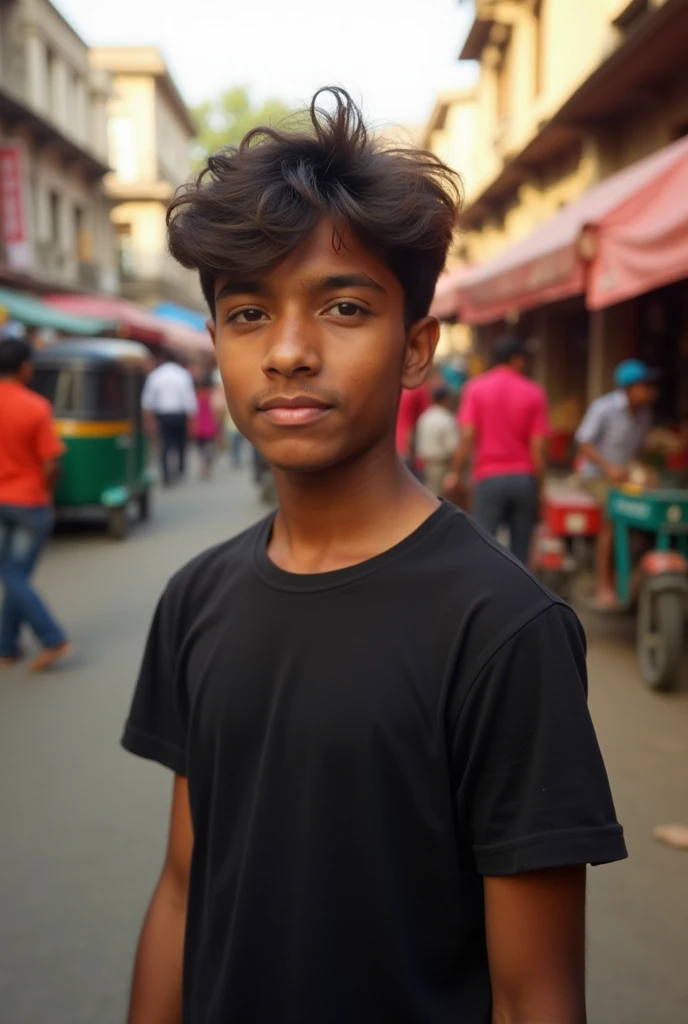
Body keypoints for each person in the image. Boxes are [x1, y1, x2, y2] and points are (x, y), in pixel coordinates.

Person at [122, 88, 626, 1024]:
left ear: (415, 347)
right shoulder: (196, 598)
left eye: (343, 306)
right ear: (217, 346)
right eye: (247, 314)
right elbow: (185, 891)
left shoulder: (503, 631)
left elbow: (535, 993)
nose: (288, 352)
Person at [0, 337, 72, 671]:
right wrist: (46, 494)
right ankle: (51, 636)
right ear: (26, 367)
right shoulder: (35, 406)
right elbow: (51, 462)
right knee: (16, 574)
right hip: (29, 502)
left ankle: (7, 645)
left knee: (13, 574)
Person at [445, 336, 550, 565]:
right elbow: (538, 446)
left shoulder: (475, 388)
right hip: (524, 479)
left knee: (486, 547)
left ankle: (490, 599)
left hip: (488, 478)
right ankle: (520, 598)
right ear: (516, 359)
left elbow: (467, 435)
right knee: (521, 549)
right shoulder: (534, 392)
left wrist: (455, 472)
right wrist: (541, 487)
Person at [575, 358, 659, 607]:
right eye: (646, 385)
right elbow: (583, 442)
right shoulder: (604, 407)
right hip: (596, 477)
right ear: (630, 388)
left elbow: (639, 450)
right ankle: (604, 585)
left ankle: (636, 575)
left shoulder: (645, 414)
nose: (652, 390)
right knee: (613, 514)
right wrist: (608, 467)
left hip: (625, 477)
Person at [141, 351, 198, 486]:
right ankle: (180, 469)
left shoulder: (156, 375)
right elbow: (189, 399)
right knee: (180, 443)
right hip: (179, 414)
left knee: (165, 445)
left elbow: (147, 400)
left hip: (163, 415)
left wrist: (149, 420)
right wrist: (192, 421)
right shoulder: (183, 375)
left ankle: (166, 474)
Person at [416, 385, 459, 496]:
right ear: (445, 399)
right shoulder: (446, 418)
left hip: (425, 464)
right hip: (441, 466)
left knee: (427, 499)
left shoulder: (425, 416)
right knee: (439, 501)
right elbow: (453, 448)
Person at [395, 380, 431, 475]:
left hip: (388, 449)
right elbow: (426, 419)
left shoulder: (387, 386)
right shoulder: (418, 388)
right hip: (407, 448)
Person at [193, 375, 219, 479]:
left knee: (201, 448)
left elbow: (192, 413)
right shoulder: (211, 396)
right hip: (209, 426)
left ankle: (203, 464)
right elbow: (215, 412)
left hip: (198, 426)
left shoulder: (194, 396)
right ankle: (206, 465)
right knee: (209, 448)